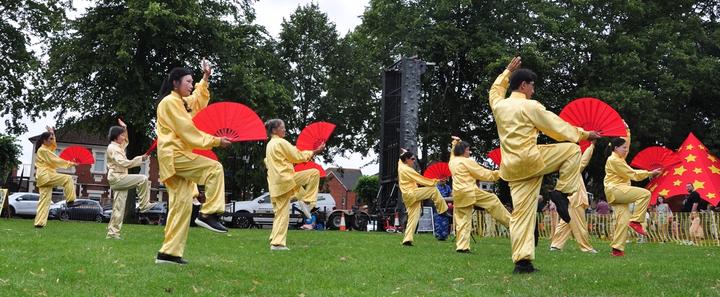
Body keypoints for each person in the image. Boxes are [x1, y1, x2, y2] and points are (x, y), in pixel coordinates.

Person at [488, 56, 600, 273]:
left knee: (521, 215)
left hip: (511, 168)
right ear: (524, 85)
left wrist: (506, 72)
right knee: (572, 149)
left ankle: (522, 263)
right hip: (532, 159)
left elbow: (494, 90)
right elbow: (557, 128)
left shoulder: (499, 106)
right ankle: (561, 192)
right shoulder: (530, 106)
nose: (533, 91)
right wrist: (585, 134)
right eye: (532, 86)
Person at [154, 60, 232, 265]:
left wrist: (204, 78)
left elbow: (197, 99)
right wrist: (215, 141)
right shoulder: (170, 103)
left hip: (174, 157)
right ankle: (208, 214)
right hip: (175, 155)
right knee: (214, 168)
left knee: (181, 206)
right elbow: (188, 130)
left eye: (191, 81)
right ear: (175, 83)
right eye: (187, 82)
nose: (190, 85)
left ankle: (168, 253)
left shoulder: (181, 101)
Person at [264, 119, 324, 250]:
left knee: (280, 212)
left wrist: (298, 159)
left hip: (276, 183)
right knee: (314, 173)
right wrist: (314, 151)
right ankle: (307, 203)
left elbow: (273, 162)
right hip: (286, 180)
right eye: (283, 127)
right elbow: (296, 156)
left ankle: (275, 239)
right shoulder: (280, 142)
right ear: (275, 130)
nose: (285, 130)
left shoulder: (270, 145)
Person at [448, 137, 510, 252]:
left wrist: (455, 143)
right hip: (470, 191)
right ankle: (511, 224)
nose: (469, 152)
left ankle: (462, 247)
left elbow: (452, 153)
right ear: (462, 151)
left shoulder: (452, 161)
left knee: (463, 220)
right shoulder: (467, 161)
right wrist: (500, 173)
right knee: (493, 200)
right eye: (467, 150)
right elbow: (483, 174)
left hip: (458, 194)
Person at [604, 137, 661, 256]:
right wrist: (650, 173)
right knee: (645, 194)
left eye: (626, 148)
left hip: (616, 191)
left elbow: (627, 144)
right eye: (624, 148)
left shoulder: (618, 158)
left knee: (623, 221)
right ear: (616, 148)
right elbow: (633, 174)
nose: (626, 150)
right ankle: (636, 221)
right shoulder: (615, 160)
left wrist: (627, 131)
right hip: (616, 190)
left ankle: (617, 249)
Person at [105, 119, 156, 240]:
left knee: (119, 207)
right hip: (117, 178)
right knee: (143, 179)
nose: (123, 137)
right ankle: (144, 205)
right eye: (121, 135)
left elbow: (126, 140)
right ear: (116, 137)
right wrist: (141, 159)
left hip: (119, 178)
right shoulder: (113, 149)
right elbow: (123, 163)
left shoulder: (118, 146)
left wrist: (125, 128)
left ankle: (112, 234)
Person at [550, 142, 598, 253]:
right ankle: (586, 248)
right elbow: (584, 161)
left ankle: (555, 245)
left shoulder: (565, 168)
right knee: (580, 225)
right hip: (575, 200)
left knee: (566, 222)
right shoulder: (572, 168)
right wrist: (592, 145)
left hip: (571, 199)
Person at [397, 149, 449, 246]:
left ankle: (407, 239)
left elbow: (400, 159)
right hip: (411, 193)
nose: (414, 161)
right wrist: (436, 181)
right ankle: (443, 210)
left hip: (408, 196)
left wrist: (404, 152)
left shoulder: (401, 165)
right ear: (407, 160)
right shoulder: (407, 170)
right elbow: (421, 180)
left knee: (413, 217)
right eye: (412, 159)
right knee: (433, 190)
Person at [32, 126, 78, 228]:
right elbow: (56, 160)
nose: (52, 141)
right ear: (44, 141)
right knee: (68, 179)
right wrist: (71, 163)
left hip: (42, 177)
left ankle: (39, 223)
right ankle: (70, 200)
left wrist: (52, 133)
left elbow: (53, 145)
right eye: (50, 139)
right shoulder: (43, 150)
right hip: (46, 175)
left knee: (44, 201)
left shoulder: (44, 148)